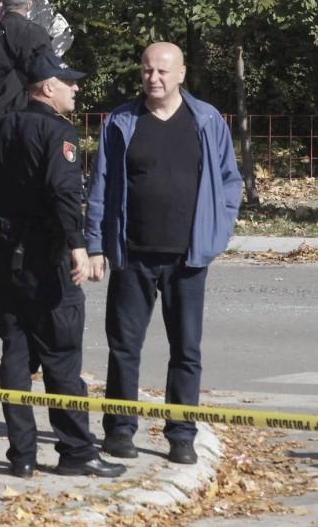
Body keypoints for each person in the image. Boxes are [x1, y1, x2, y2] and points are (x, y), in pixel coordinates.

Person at [0, 50, 123, 480]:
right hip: (48, 263)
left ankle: (22, 456)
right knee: (62, 361)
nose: (76, 88)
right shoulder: (56, 133)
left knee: (16, 358)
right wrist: (78, 245)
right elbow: (63, 192)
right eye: (69, 82)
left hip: (7, 262)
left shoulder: (3, 126)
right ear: (48, 88)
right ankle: (76, 453)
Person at [85, 42, 242, 466]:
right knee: (124, 348)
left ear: (181, 74)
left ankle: (181, 434)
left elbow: (230, 182)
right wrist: (96, 244)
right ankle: (119, 431)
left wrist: (218, 232)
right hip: (132, 254)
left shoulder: (206, 120)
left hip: (187, 258)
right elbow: (99, 186)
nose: (153, 78)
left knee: (186, 350)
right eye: (147, 71)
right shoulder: (121, 121)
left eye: (162, 71)